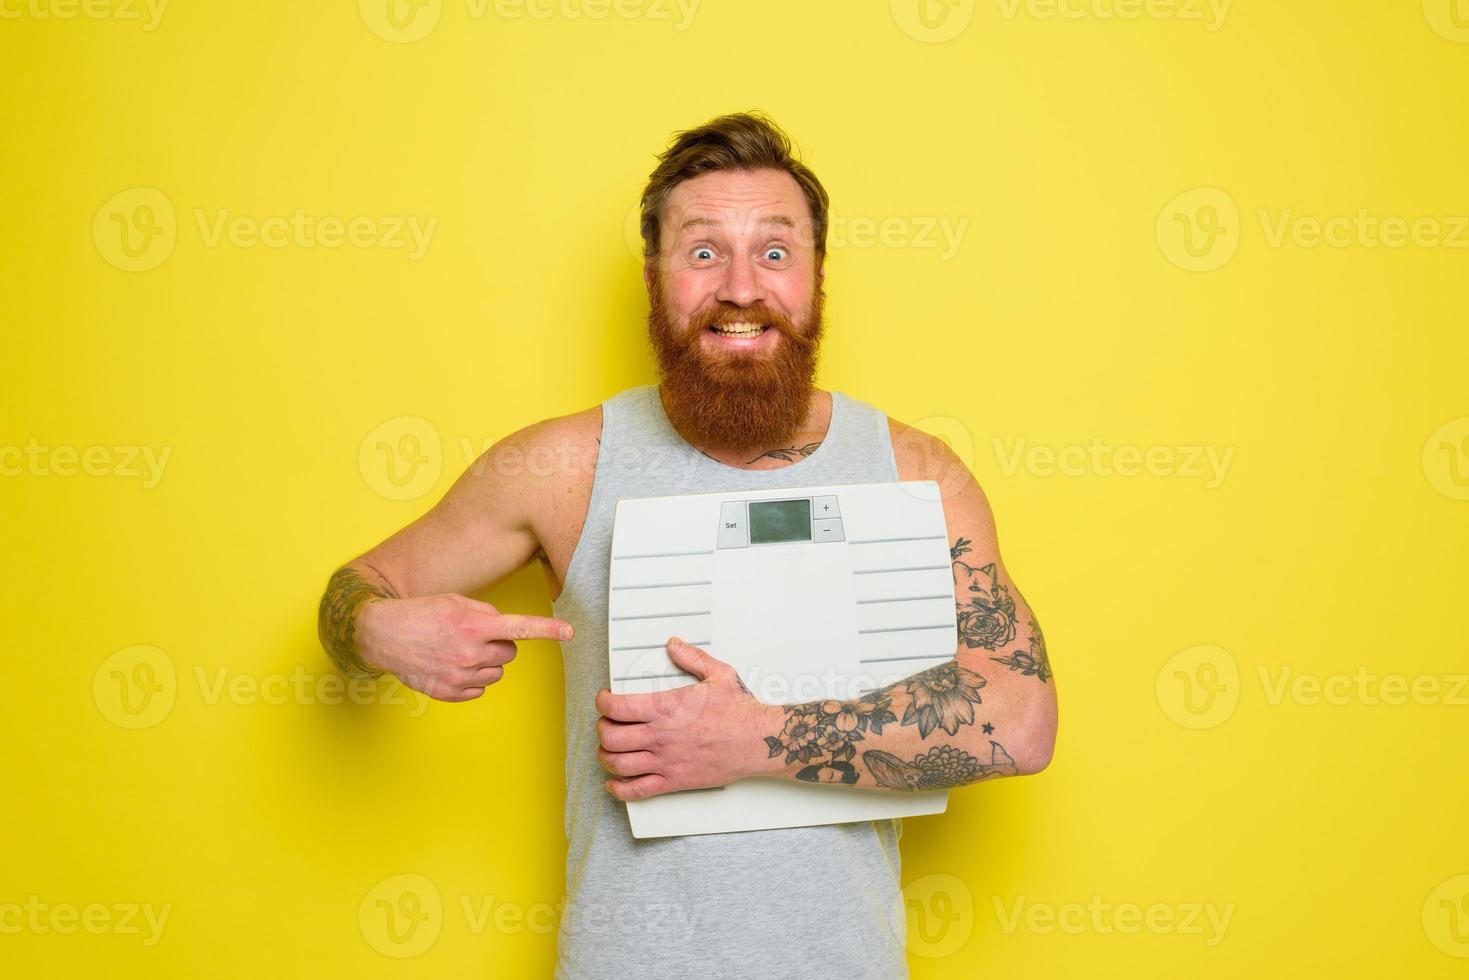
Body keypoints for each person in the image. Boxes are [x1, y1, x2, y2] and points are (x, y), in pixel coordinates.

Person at [317, 110, 1058, 979]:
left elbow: (1022, 719)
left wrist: (755, 739)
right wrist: (377, 631)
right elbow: (357, 589)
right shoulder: (559, 465)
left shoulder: (914, 473)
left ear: (817, 276)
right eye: (703, 252)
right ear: (653, 277)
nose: (740, 288)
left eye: (775, 252)